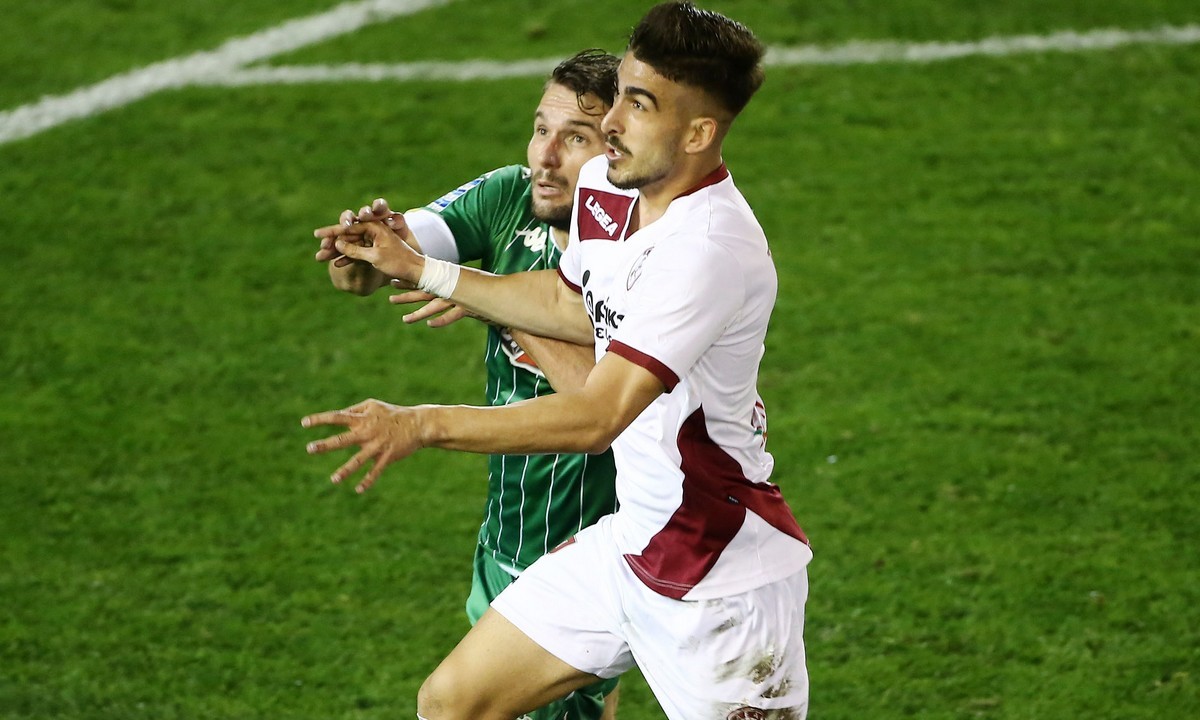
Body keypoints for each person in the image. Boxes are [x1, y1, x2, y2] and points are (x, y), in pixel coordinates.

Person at [304, 4, 812, 718]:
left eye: (639, 104)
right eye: (621, 94)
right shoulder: (609, 185)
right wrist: (422, 269)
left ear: (699, 133)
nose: (612, 123)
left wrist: (421, 424)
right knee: (452, 703)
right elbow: (570, 302)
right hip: (629, 544)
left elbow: (598, 416)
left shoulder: (708, 251)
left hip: (717, 583)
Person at [312, 50, 623, 720]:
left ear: (618, 151)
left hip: (591, 547)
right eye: (540, 130)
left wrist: (483, 298)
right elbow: (375, 269)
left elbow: (601, 410)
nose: (545, 158)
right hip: (510, 530)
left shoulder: (637, 250)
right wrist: (360, 249)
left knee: (454, 707)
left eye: (575, 139)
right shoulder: (509, 197)